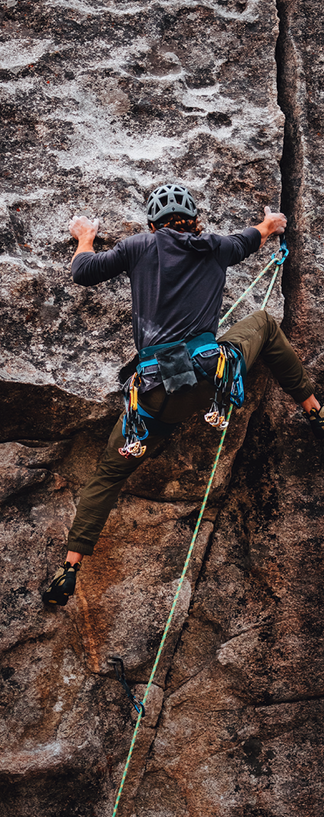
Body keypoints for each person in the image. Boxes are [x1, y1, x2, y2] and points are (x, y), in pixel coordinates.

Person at [43, 183, 324, 607]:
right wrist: (271, 223)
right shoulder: (216, 246)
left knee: (108, 475)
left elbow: (83, 272)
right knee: (264, 323)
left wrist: (84, 237)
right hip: (211, 381)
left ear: (153, 223)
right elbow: (255, 235)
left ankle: (70, 567)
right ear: (195, 219)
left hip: (154, 397)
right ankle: (315, 410)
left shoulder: (139, 246)